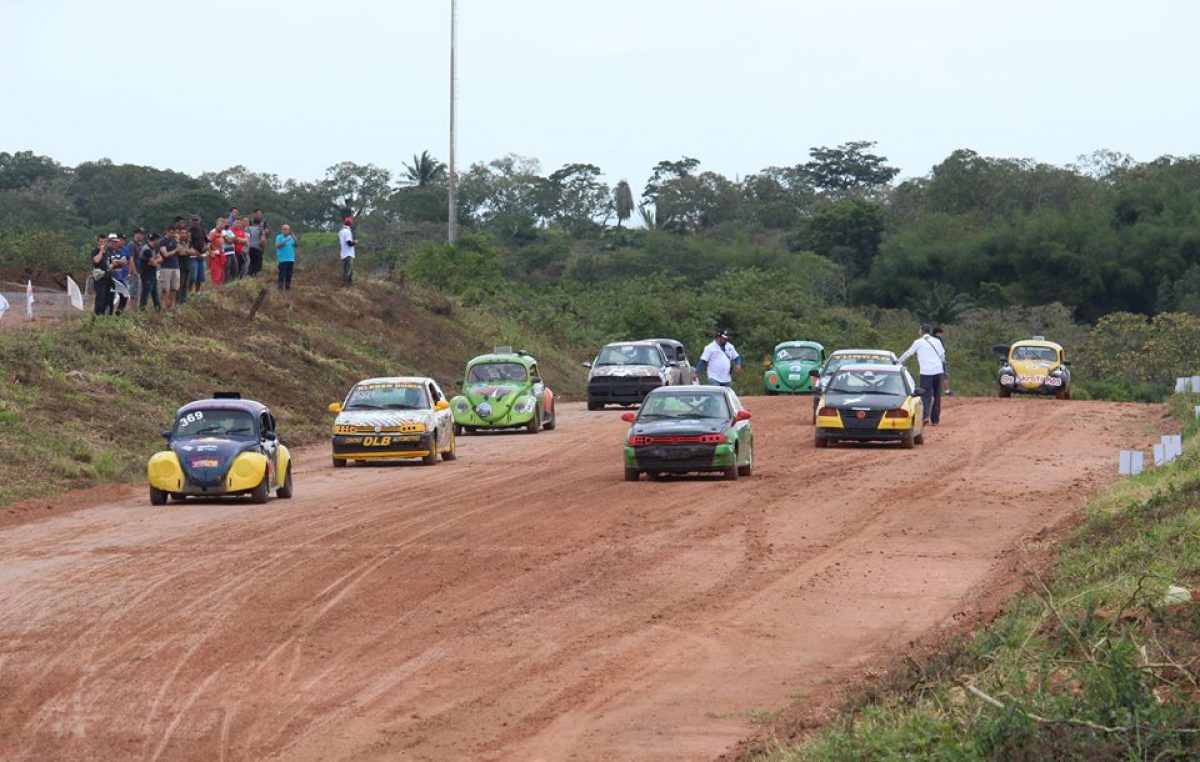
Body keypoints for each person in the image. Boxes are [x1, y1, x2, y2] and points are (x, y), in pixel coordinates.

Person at [898, 323, 946, 425]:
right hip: (938, 371)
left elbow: (908, 353)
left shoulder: (918, 342)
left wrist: (898, 362)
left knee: (926, 395)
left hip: (926, 372)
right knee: (937, 396)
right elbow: (942, 357)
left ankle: (925, 417)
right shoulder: (937, 341)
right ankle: (935, 419)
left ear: (922, 331)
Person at [91, 233, 125, 315]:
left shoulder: (108, 253)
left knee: (109, 298)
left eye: (104, 242)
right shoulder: (95, 251)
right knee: (101, 297)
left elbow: (111, 263)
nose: (102, 243)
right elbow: (96, 261)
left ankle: (107, 315)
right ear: (98, 242)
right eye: (101, 242)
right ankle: (97, 315)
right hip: (99, 278)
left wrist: (115, 264)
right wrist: (101, 251)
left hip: (108, 277)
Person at [156, 229, 181, 308]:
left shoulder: (174, 241)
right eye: (171, 233)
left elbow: (180, 251)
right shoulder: (163, 241)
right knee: (165, 288)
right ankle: (163, 305)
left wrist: (178, 241)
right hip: (166, 267)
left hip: (175, 267)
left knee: (174, 287)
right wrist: (175, 250)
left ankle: (172, 305)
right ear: (167, 232)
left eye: (174, 233)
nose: (172, 235)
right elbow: (165, 254)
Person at [139, 232, 162, 311]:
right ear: (155, 240)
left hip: (152, 274)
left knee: (155, 293)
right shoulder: (146, 250)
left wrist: (155, 260)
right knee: (145, 294)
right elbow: (155, 264)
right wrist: (155, 260)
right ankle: (142, 310)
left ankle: (158, 309)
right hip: (146, 275)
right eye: (158, 240)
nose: (159, 242)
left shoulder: (155, 248)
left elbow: (160, 259)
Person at [188, 215, 207, 295]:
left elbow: (207, 240)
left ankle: (198, 293)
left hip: (202, 255)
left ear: (200, 220)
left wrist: (207, 247)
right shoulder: (189, 231)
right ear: (191, 221)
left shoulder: (202, 230)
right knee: (192, 277)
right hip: (193, 256)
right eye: (193, 220)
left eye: (197, 220)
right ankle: (189, 293)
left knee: (200, 276)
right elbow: (189, 244)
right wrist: (196, 252)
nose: (195, 222)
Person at [275, 224, 297, 290]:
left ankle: (287, 289)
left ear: (289, 230)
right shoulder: (279, 237)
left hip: (291, 259)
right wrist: (285, 240)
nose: (285, 230)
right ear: (281, 230)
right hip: (282, 260)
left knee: (289, 275)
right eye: (284, 229)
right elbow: (277, 246)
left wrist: (295, 239)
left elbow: (296, 246)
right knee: (282, 275)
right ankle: (280, 290)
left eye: (287, 229)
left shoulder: (291, 237)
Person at [933, 326, 953, 396]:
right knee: (945, 376)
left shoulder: (931, 340)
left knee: (933, 376)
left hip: (932, 361)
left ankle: (934, 391)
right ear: (938, 333)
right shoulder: (939, 340)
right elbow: (942, 352)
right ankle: (947, 391)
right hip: (940, 361)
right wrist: (943, 360)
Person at [247, 209, 268, 276]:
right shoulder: (261, 229)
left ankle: (249, 275)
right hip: (257, 248)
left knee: (251, 262)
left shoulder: (249, 228)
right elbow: (263, 240)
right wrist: (262, 247)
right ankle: (255, 276)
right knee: (258, 263)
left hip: (249, 247)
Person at [338, 216, 355, 286]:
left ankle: (350, 283)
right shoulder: (347, 232)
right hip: (348, 254)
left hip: (343, 253)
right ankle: (344, 284)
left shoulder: (341, 231)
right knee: (347, 270)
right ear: (350, 224)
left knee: (349, 269)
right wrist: (355, 242)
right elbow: (349, 243)